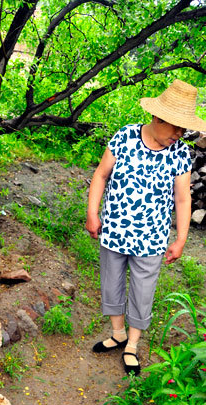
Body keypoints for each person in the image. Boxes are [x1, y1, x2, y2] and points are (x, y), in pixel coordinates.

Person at [86, 79, 206, 376]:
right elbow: (101, 175)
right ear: (158, 118)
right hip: (113, 231)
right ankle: (117, 333)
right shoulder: (125, 136)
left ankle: (132, 345)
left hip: (151, 240)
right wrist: (92, 213)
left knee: (142, 291)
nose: (179, 134)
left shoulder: (179, 154)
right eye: (175, 127)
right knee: (111, 283)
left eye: (183, 129)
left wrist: (180, 238)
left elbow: (182, 199)